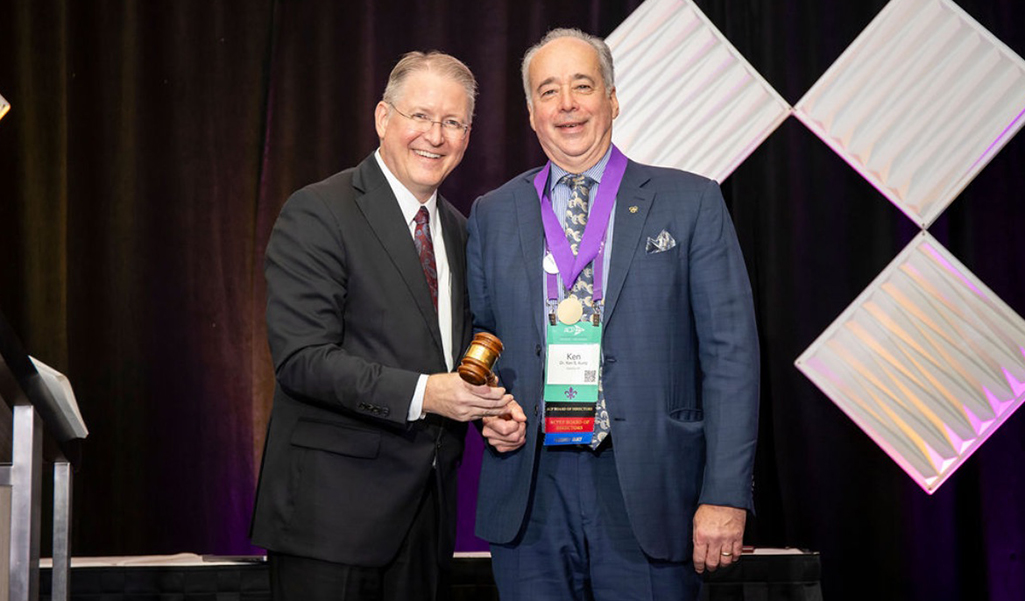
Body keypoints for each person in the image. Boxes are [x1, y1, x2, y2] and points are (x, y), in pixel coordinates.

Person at [466, 28, 760, 600]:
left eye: (583, 85)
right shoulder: (493, 213)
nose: (568, 104)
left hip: (650, 486)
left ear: (613, 99)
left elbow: (732, 356)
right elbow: (484, 337)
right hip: (530, 487)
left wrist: (725, 492)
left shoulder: (690, 201)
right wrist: (489, 411)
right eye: (549, 91)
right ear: (531, 113)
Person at [250, 51, 516, 601]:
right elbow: (302, 360)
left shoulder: (465, 233)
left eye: (452, 122)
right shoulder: (319, 211)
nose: (435, 136)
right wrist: (428, 394)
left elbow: (462, 356)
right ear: (382, 118)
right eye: (420, 116)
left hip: (428, 523)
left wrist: (496, 410)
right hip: (331, 526)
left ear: (468, 136)